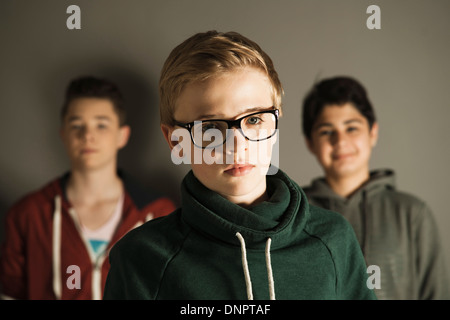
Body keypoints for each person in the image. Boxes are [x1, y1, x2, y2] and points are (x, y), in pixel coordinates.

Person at [103, 31, 376, 300]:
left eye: (254, 120)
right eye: (209, 127)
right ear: (176, 141)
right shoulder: (140, 257)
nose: (236, 145)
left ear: (276, 122)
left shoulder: (334, 239)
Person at [0, 76, 176, 300]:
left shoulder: (158, 214)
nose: (87, 136)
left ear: (122, 136)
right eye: (77, 125)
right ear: (64, 134)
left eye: (101, 125)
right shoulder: (28, 215)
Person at [301, 76, 449, 299]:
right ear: (310, 143)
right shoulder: (295, 214)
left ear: (373, 133)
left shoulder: (412, 214)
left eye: (351, 128)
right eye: (326, 131)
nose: (340, 141)